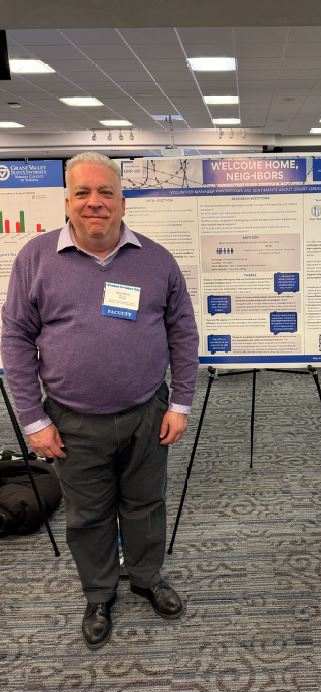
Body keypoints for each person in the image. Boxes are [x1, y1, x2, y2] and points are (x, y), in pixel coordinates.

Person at [1, 152, 199, 650]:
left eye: (106, 192)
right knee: (87, 514)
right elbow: (16, 339)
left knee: (146, 504)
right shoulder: (36, 259)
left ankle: (147, 578)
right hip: (71, 420)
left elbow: (182, 332)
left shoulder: (156, 260)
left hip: (147, 413)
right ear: (67, 201)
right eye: (83, 193)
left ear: (122, 202)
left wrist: (180, 403)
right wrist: (32, 420)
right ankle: (99, 593)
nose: (95, 202)